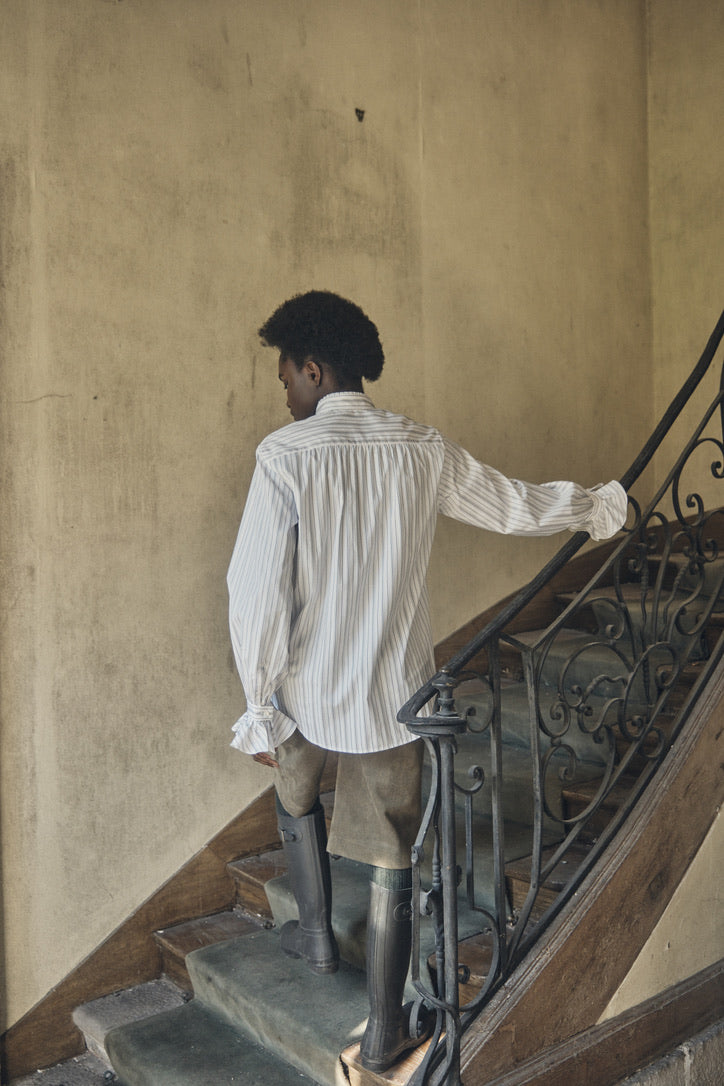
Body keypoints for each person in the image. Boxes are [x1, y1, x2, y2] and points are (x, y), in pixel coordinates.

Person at [227, 290, 627, 1072]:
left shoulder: (285, 455)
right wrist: (598, 508)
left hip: (305, 690)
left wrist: (256, 704)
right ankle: (382, 1032)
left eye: (286, 378)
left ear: (315, 369)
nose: (284, 393)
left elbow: (255, 592)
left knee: (294, 797)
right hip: (395, 698)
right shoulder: (419, 446)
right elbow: (513, 505)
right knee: (392, 860)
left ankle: (313, 940)